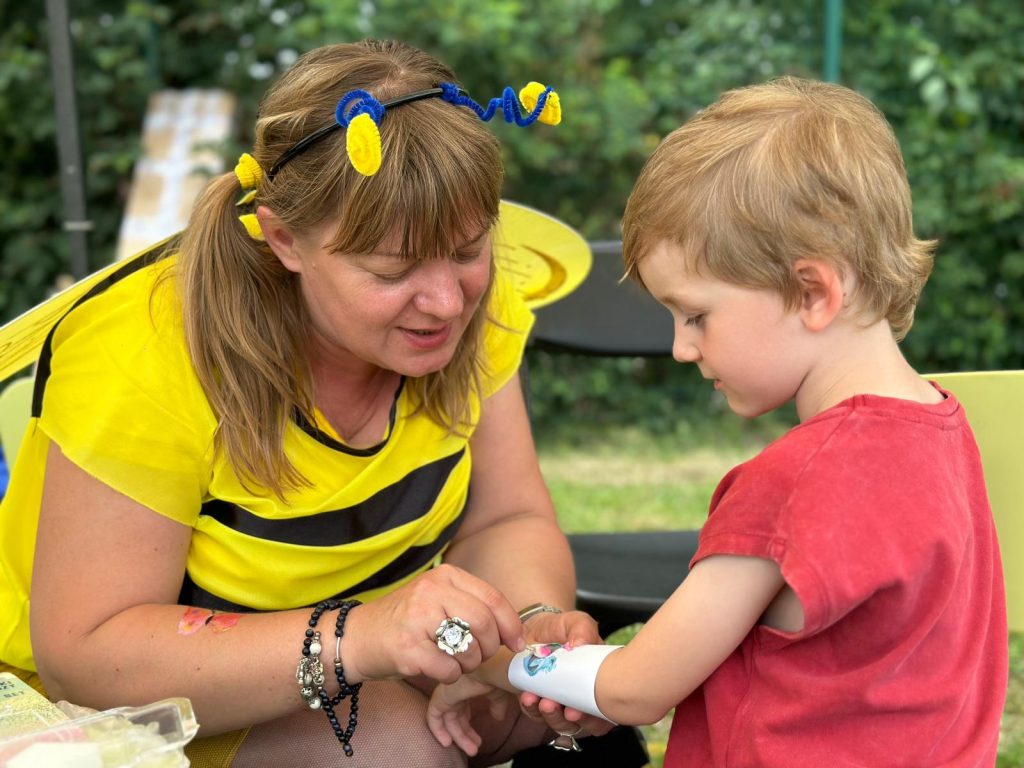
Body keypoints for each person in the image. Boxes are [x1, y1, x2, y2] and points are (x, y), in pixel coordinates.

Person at [0, 39, 619, 767]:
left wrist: (531, 630)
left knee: (544, 711)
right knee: (397, 747)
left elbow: (507, 517)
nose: (447, 301)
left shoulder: (478, 306)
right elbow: (90, 653)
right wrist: (359, 637)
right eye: (392, 269)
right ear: (284, 238)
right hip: (97, 704)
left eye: (467, 250)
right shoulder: (145, 350)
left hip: (351, 654)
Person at [426, 76, 1008, 766]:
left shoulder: (792, 483)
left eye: (696, 315)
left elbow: (638, 687)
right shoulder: (945, 432)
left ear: (814, 291)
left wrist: (488, 669)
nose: (681, 347)